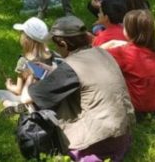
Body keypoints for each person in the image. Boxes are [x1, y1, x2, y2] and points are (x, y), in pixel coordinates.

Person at [18, 16, 135, 161]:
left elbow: (26, 98)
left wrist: (29, 75)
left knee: (44, 106)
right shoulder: (102, 53)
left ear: (63, 44)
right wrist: (54, 70)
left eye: (56, 45)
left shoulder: (70, 68)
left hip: (96, 145)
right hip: (122, 136)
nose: (55, 49)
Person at [102, 9, 155, 116]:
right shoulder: (152, 51)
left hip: (134, 109)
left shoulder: (123, 52)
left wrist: (111, 42)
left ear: (129, 31)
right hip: (153, 107)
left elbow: (96, 55)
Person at [0, 17, 54, 111]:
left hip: (28, 98)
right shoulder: (52, 56)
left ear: (26, 40)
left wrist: (10, 86)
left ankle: (10, 104)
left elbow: (18, 90)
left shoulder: (24, 61)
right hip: (47, 98)